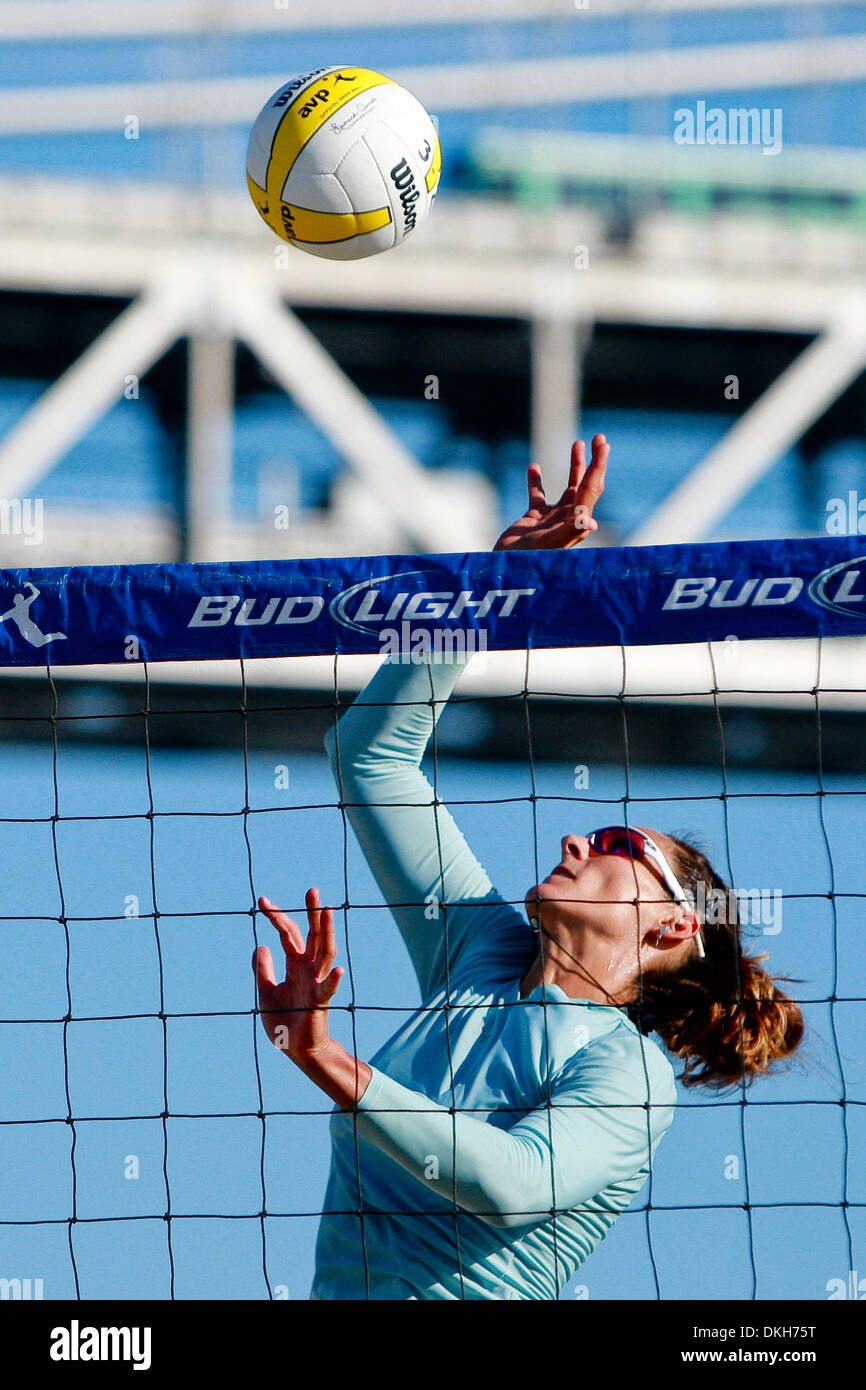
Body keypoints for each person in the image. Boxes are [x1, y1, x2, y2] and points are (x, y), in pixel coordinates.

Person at [254, 434, 804, 1300]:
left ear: (672, 926)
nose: (575, 842)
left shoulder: (629, 1072)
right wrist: (485, 591)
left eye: (620, 846)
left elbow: (511, 1186)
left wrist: (322, 1055)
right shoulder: (482, 952)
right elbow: (371, 759)